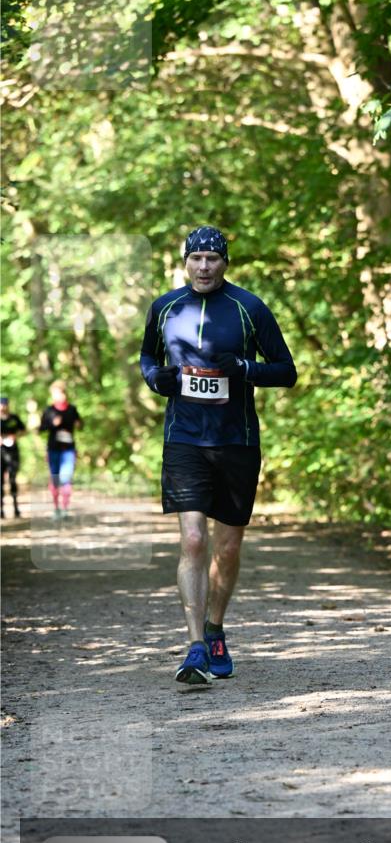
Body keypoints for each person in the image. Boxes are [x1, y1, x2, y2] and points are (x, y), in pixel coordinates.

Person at [140, 226, 297, 687]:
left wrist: (247, 369)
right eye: (196, 259)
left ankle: (214, 629)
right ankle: (193, 647)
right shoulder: (166, 307)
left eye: (212, 258)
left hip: (237, 442)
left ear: (225, 263)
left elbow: (286, 371)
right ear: (185, 263)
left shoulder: (249, 309)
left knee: (226, 548)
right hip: (184, 438)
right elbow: (147, 358)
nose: (204, 267)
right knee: (192, 540)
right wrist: (157, 379)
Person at [40, 381, 83, 520]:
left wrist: (79, 424)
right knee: (55, 479)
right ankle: (56, 508)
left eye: (59, 393)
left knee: (66, 478)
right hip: (53, 449)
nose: (57, 396)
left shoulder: (72, 409)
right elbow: (41, 429)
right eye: (54, 394)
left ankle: (65, 508)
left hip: (68, 450)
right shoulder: (49, 411)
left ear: (64, 393)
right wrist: (53, 424)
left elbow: (81, 425)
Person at [1, 397, 26, 519]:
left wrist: (15, 436)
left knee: (12, 480)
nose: (3, 407)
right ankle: (1, 509)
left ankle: (16, 508)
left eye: (4, 405)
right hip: (1, 453)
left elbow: (24, 430)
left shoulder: (14, 418)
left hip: (13, 453)